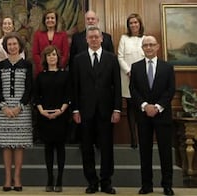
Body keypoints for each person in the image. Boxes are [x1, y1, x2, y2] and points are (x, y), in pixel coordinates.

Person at [71, 26, 121, 194]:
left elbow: (117, 86)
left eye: (96, 37)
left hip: (106, 111)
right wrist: (75, 110)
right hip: (85, 111)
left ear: (102, 39)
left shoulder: (111, 58)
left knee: (107, 147)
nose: (93, 39)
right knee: (86, 148)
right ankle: (92, 181)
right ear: (86, 39)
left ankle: (106, 182)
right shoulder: (78, 59)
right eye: (90, 37)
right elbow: (75, 87)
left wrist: (117, 109)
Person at [129, 36, 175, 196]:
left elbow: (170, 90)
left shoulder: (167, 67)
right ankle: (146, 185)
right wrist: (145, 106)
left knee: (165, 152)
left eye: (151, 45)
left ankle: (167, 185)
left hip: (162, 115)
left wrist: (157, 107)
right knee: (145, 152)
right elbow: (133, 90)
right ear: (142, 48)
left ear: (157, 47)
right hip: (143, 115)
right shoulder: (135, 67)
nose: (148, 47)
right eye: (145, 45)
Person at [0, 32, 33, 192]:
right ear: (5, 47)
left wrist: (19, 107)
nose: (12, 47)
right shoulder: (1, 65)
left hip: (21, 110)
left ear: (20, 46)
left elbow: (29, 88)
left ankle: (17, 178)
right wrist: (4, 107)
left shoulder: (27, 65)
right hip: (4, 110)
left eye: (15, 44)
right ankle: (7, 178)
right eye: (9, 44)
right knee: (6, 145)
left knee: (19, 145)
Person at [33, 45, 70, 192]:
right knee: (48, 149)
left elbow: (68, 96)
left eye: (54, 54)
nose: (52, 57)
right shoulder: (40, 76)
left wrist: (60, 111)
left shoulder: (65, 75)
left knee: (60, 148)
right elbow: (36, 97)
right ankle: (50, 179)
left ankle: (60, 180)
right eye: (49, 55)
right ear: (45, 58)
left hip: (61, 116)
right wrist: (42, 112)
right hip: (45, 117)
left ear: (58, 57)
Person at [117, 13, 145, 149]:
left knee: (141, 107)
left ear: (140, 24)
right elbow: (120, 57)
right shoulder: (124, 38)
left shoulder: (145, 39)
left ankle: (142, 136)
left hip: (143, 78)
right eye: (131, 23)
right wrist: (128, 71)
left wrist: (140, 74)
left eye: (136, 22)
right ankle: (133, 138)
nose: (134, 25)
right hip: (127, 77)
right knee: (130, 108)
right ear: (128, 25)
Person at [32, 10, 69, 75]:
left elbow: (65, 54)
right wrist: (43, 67)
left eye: (52, 18)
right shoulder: (38, 34)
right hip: (42, 72)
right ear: (44, 20)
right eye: (47, 18)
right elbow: (35, 54)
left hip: (58, 72)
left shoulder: (63, 35)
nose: (50, 20)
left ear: (56, 20)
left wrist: (57, 68)